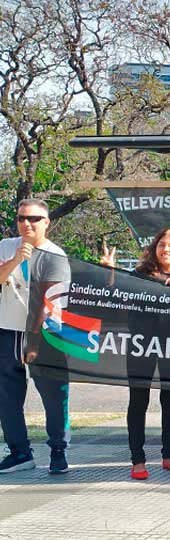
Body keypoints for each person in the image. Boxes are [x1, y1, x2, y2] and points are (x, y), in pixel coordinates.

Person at [102, 228, 170, 480]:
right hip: (141, 345)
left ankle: (169, 456)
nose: (166, 249)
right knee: (138, 401)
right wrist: (109, 272)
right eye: (162, 245)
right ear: (154, 248)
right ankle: (138, 460)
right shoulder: (139, 275)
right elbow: (116, 298)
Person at [0, 199, 70, 474]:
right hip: (7, 330)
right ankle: (20, 452)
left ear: (47, 222)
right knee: (7, 397)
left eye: (34, 218)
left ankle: (58, 450)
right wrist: (17, 259)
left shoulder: (55, 255)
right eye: (21, 218)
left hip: (46, 334)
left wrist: (35, 341)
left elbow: (48, 300)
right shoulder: (6, 246)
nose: (26, 223)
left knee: (54, 395)